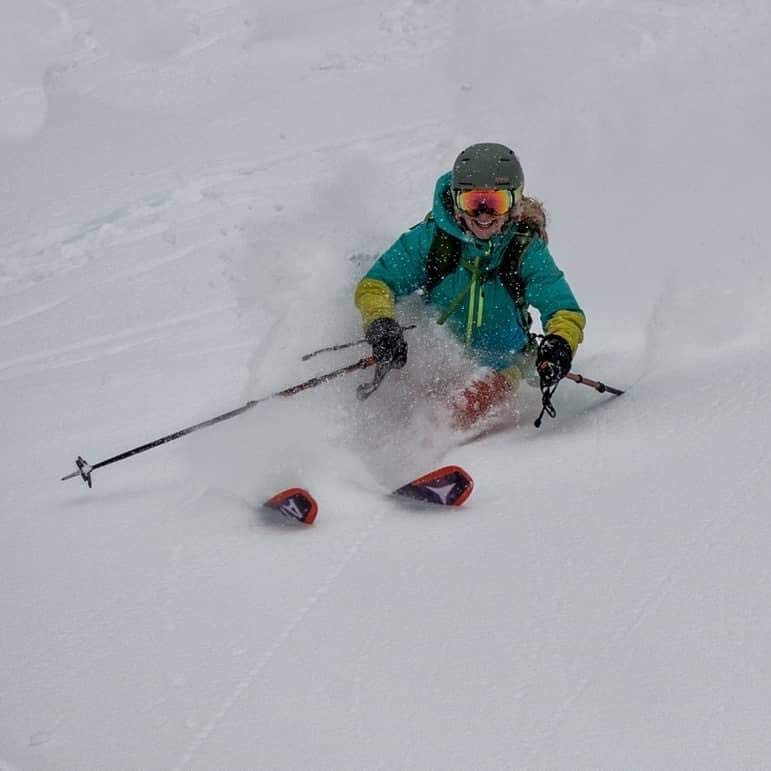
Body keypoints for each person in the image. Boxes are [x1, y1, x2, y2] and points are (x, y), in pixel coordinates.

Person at [354, 142, 585, 429]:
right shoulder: (432, 240)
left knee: (457, 410)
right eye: (474, 203)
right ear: (456, 201)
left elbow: (563, 309)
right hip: (436, 356)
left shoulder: (525, 250)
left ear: (514, 204)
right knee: (399, 405)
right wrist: (380, 324)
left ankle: (415, 460)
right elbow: (376, 284)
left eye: (495, 203)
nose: (484, 216)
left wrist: (560, 343)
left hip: (504, 362)